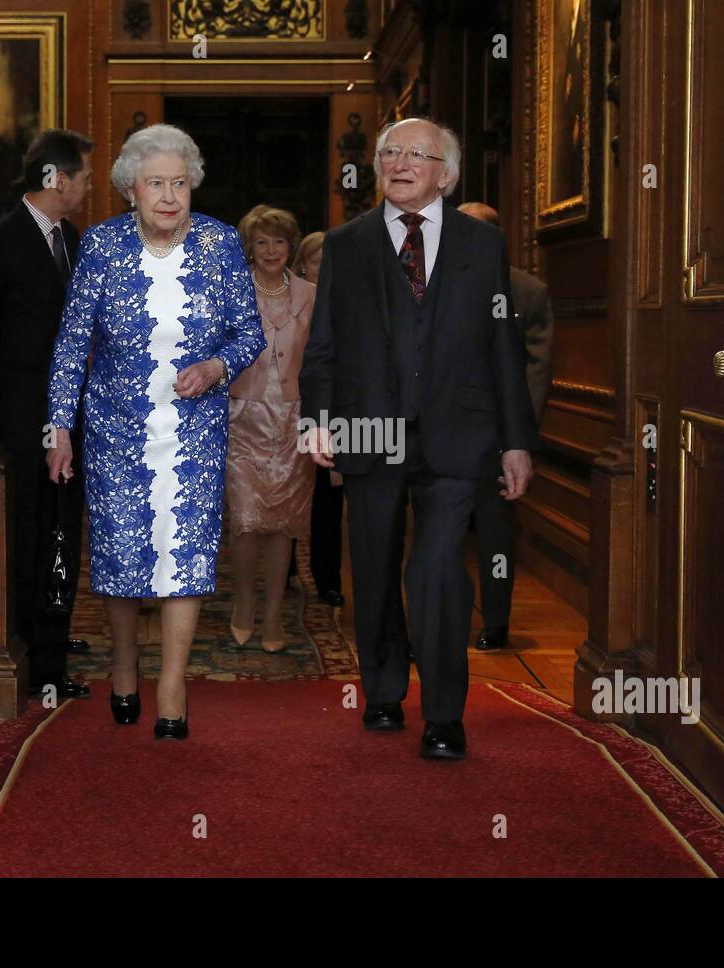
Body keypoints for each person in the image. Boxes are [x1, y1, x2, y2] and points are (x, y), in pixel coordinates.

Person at [299, 117, 538, 760]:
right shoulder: (347, 246)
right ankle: (381, 689)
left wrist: (516, 441)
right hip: (367, 426)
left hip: (460, 435)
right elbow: (322, 343)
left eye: (417, 153)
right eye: (390, 153)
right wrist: (315, 418)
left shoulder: (481, 245)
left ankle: (442, 713)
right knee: (373, 564)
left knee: (435, 569)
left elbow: (502, 347)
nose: (400, 162)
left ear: (447, 174)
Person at [46, 123, 265, 738]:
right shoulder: (101, 246)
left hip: (196, 428)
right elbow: (71, 345)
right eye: (156, 185)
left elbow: (249, 332)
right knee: (119, 555)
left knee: (186, 555)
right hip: (116, 427)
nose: (170, 196)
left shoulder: (221, 245)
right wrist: (59, 427)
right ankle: (123, 662)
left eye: (179, 184)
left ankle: (172, 680)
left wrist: (217, 365)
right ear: (130, 190)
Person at [0, 128, 96, 701]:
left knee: (63, 528)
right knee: (31, 534)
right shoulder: (1, 241)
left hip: (71, 415)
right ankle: (34, 656)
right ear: (55, 179)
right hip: (23, 419)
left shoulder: (73, 238)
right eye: (80, 176)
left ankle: (53, 640)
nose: (85, 188)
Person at [456, 201, 555, 651]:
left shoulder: (527, 291)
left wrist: (518, 437)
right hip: (443, 435)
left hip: (497, 437)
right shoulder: (432, 285)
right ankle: (441, 621)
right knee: (439, 534)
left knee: (495, 537)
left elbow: (536, 371)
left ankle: (496, 621)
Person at [226, 207, 316, 652]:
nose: (271, 250)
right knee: (245, 520)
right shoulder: (231, 290)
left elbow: (321, 359)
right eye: (262, 242)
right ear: (250, 247)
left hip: (294, 420)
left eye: (279, 242)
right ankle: (244, 603)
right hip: (243, 417)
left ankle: (275, 615)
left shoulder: (311, 295)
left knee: (284, 523)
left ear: (291, 246)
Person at [294, 231, 346, 607]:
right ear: (303, 264)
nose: (324, 267)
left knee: (330, 498)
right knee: (290, 492)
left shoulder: (350, 298)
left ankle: (328, 579)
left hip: (339, 412)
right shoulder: (292, 298)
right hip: (286, 407)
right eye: (317, 260)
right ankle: (286, 570)